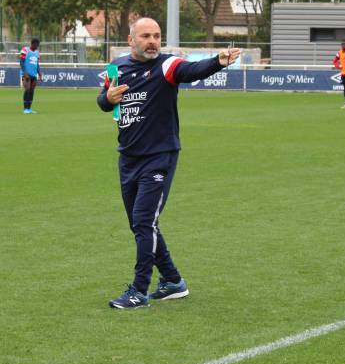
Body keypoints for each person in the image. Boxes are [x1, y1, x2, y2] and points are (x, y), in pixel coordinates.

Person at [97, 17, 240, 309]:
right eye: (146, 36)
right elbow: (104, 102)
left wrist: (217, 61)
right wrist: (107, 98)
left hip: (159, 157)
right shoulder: (118, 68)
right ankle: (173, 281)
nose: (152, 41)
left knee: (143, 221)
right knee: (141, 224)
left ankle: (139, 290)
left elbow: (191, 70)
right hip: (127, 157)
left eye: (157, 35)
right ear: (131, 40)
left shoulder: (166, 65)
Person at [19, 38, 42, 114]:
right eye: (37, 45)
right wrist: (25, 73)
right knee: (27, 89)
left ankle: (29, 108)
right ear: (33, 44)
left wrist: (39, 73)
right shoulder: (25, 50)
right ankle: (25, 109)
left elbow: (37, 64)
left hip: (34, 74)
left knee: (32, 91)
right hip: (26, 74)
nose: (37, 47)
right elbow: (21, 62)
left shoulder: (37, 53)